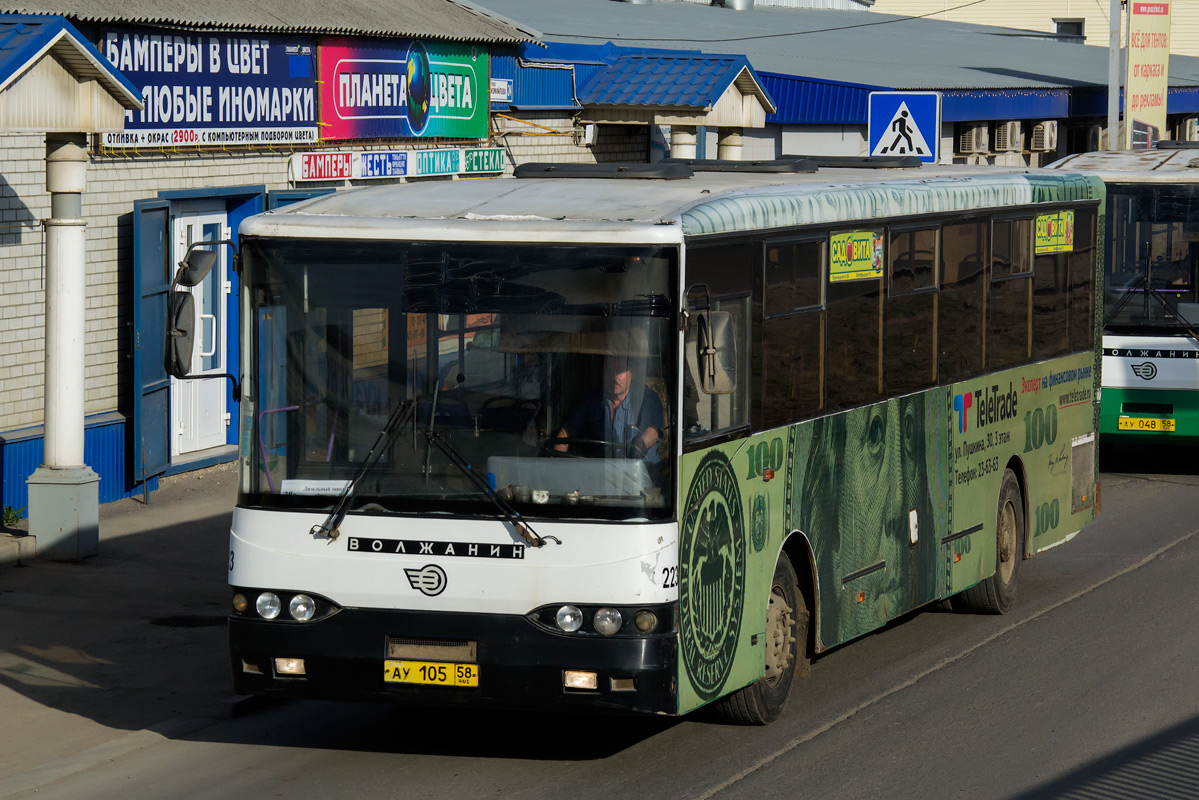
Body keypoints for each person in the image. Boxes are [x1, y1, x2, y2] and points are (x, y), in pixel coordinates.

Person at [554, 355, 663, 461]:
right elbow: (565, 434)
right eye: (608, 371)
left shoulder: (648, 399)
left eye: (619, 371)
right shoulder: (591, 401)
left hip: (640, 473)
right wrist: (555, 462)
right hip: (600, 474)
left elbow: (652, 433)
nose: (613, 377)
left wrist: (634, 451)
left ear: (632, 373)